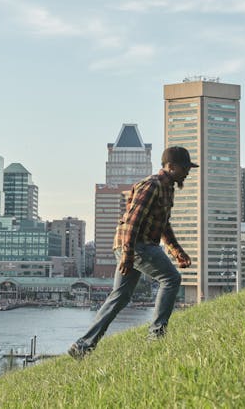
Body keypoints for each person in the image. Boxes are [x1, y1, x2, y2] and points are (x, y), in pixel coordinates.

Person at [68, 146, 195, 359]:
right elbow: (131, 222)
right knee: (171, 278)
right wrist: (127, 256)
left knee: (120, 297)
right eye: (185, 168)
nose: (188, 172)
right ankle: (156, 337)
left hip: (136, 245)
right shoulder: (152, 185)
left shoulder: (168, 189)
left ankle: (82, 346)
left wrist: (176, 251)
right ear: (171, 167)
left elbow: (163, 224)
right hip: (136, 245)